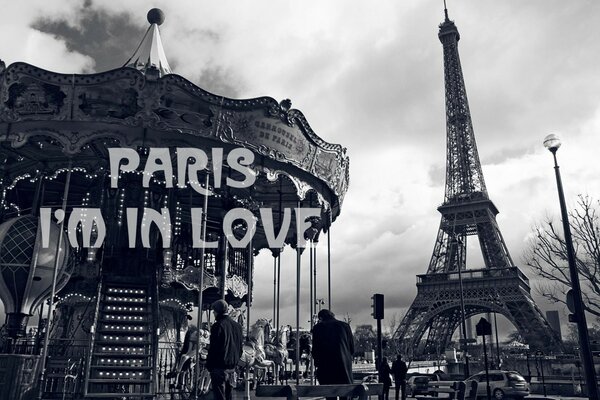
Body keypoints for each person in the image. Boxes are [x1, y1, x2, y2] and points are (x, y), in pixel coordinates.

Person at [312, 309, 354, 400]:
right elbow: (352, 348)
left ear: (321, 318)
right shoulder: (345, 326)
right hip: (344, 369)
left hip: (327, 369)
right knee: (345, 396)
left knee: (330, 397)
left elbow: (315, 350)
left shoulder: (318, 328)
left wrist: (317, 364)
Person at [206, 299, 243, 400]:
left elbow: (214, 348)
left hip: (219, 367)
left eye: (214, 311)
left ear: (217, 311)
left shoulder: (218, 326)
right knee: (229, 395)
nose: (213, 313)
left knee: (220, 396)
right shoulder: (238, 326)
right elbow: (240, 348)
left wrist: (209, 365)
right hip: (232, 367)